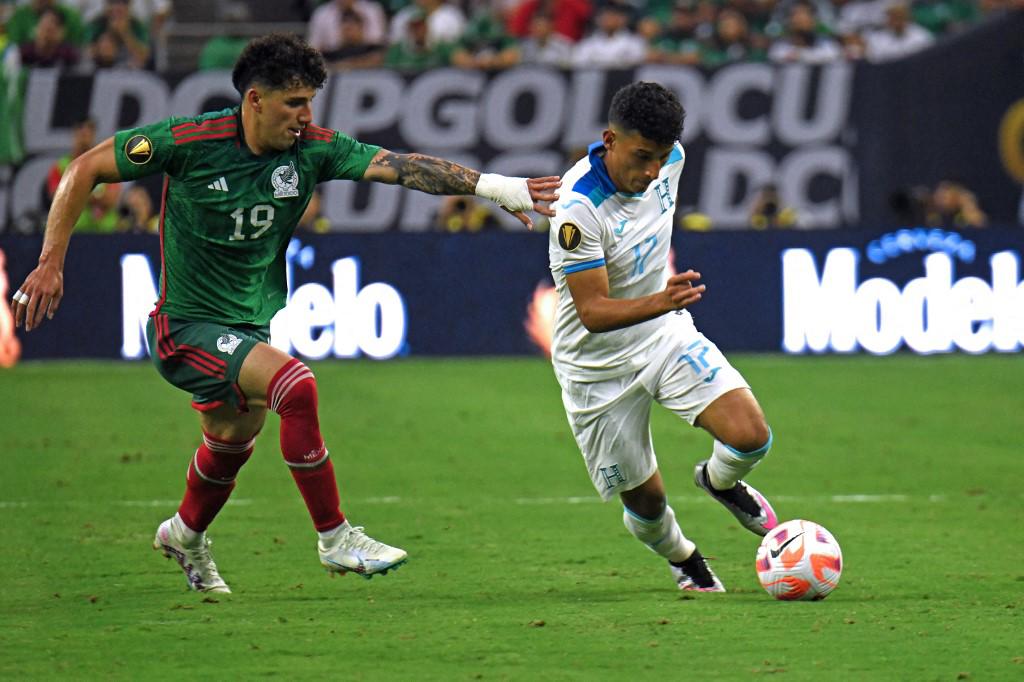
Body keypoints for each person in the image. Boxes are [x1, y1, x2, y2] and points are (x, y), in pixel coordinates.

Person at [12, 33, 560, 594]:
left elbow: (399, 166)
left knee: (230, 443)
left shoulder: (313, 151)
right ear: (255, 99)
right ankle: (335, 537)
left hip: (248, 324)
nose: (306, 116)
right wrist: (51, 262)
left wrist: (496, 186)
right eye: (294, 103)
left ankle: (184, 533)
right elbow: (84, 169)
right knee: (295, 387)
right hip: (185, 327)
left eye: (310, 102)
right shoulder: (188, 142)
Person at [547, 81, 777, 592]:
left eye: (660, 157)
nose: (653, 171)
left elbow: (662, 163)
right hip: (596, 369)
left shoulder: (672, 158)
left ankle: (719, 480)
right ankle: (683, 557)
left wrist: (661, 309)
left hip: (661, 336)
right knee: (646, 503)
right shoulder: (577, 208)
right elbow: (592, 312)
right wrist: (662, 300)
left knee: (750, 435)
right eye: (641, 157)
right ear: (610, 140)